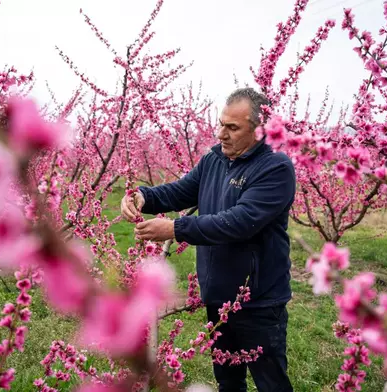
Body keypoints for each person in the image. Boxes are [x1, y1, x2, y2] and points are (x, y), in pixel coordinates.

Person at [120, 87, 296, 392]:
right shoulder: (215, 158)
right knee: (228, 380)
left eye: (232, 127)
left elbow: (239, 222)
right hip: (218, 296)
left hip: (259, 301)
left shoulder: (275, 168)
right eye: (221, 124)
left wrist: (176, 229)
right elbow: (181, 190)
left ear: (259, 130)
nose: (221, 134)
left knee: (271, 383)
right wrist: (143, 196)